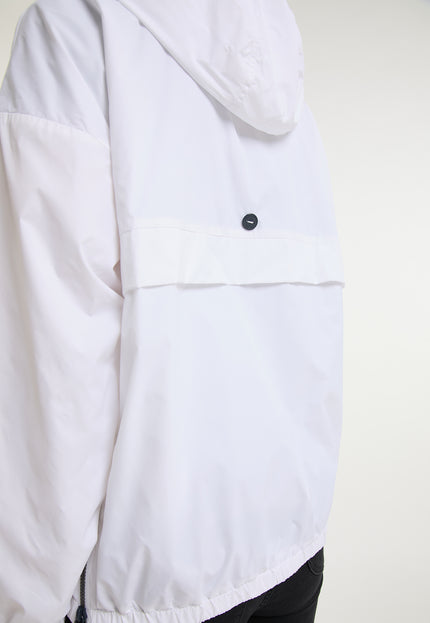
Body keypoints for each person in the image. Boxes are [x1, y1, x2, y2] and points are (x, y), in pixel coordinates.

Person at [0, 1, 345, 622]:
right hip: (291, 547)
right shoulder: (276, 55)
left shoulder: (74, 28)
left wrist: (24, 604)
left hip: (152, 589)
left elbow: (54, 372)